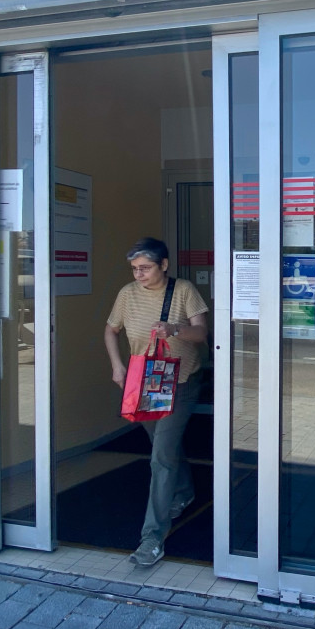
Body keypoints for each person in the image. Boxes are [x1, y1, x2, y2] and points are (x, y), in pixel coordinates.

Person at [105, 237, 209, 567]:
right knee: (162, 447)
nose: (139, 275)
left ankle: (152, 537)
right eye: (135, 269)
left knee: (160, 457)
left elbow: (201, 334)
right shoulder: (126, 294)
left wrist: (174, 329)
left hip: (181, 382)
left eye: (146, 268)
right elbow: (110, 330)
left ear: (164, 265)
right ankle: (183, 492)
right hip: (146, 382)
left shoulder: (183, 290)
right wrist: (117, 365)